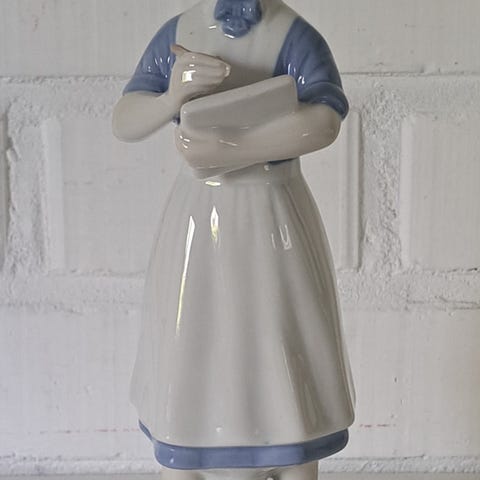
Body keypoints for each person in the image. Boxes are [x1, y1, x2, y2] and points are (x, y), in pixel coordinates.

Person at [112, 1, 356, 478]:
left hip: (273, 211)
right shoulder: (179, 33)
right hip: (199, 215)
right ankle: (191, 437)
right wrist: (171, 97)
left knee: (277, 323)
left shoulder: (293, 35)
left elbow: (325, 119)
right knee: (195, 325)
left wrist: (233, 148)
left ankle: (288, 441)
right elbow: (124, 119)